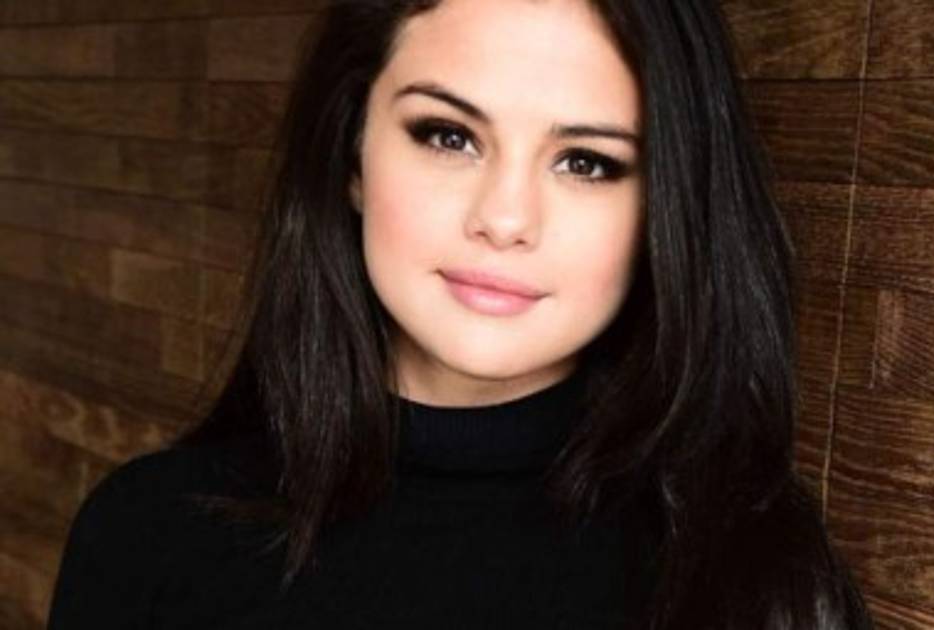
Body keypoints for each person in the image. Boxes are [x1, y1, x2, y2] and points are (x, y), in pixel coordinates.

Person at [47, 0, 873, 628]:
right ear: (352, 155)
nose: (505, 218)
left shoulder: (754, 580)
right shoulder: (149, 536)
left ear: (666, 208)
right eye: (449, 136)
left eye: (586, 162)